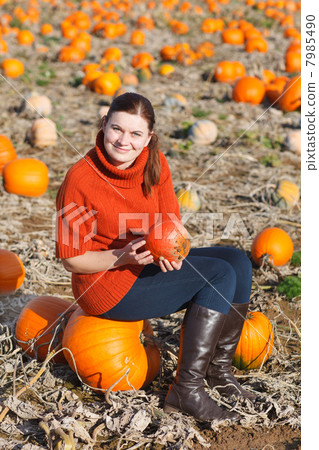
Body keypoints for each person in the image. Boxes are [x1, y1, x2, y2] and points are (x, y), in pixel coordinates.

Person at [55, 92, 255, 423]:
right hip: (104, 286)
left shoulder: (155, 164)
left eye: (135, 134)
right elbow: (72, 260)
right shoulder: (81, 179)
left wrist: (176, 250)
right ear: (104, 125)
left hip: (144, 267)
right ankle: (185, 391)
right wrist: (120, 256)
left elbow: (172, 222)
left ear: (148, 137)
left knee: (237, 262)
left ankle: (218, 372)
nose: (123, 140)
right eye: (117, 129)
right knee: (218, 276)